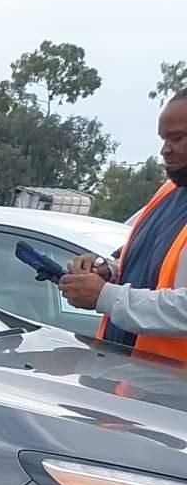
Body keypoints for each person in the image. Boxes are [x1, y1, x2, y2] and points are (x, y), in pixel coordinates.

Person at [60, 94, 187, 358]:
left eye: (177, 138)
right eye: (163, 139)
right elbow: (145, 257)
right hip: (132, 377)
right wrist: (107, 268)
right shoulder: (169, 192)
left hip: (172, 390)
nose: (165, 149)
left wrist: (105, 296)